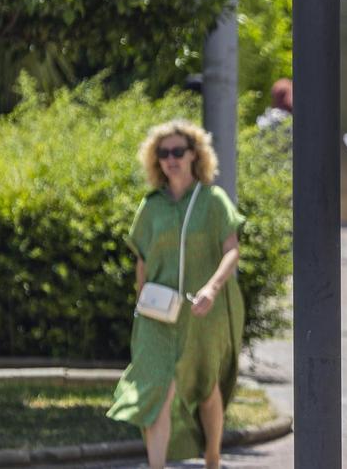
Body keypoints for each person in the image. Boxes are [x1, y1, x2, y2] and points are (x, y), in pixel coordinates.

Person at [107, 120, 246, 469]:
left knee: (205, 387)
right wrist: (141, 301)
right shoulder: (151, 205)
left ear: (194, 155)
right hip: (157, 315)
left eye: (178, 151)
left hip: (203, 311)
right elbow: (142, 259)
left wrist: (212, 288)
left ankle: (212, 457)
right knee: (157, 389)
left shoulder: (213, 201)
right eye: (163, 153)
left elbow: (232, 250)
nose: (171, 159)